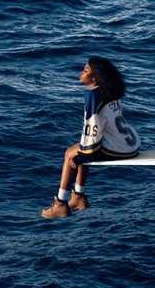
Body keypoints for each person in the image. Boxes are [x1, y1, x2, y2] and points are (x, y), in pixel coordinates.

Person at [41, 57, 141, 218]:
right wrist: (82, 151)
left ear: (95, 78)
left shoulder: (93, 96)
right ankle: (78, 196)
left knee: (70, 154)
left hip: (119, 149)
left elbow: (92, 129)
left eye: (85, 70)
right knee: (78, 149)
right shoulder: (111, 91)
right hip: (131, 145)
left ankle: (60, 204)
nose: (81, 73)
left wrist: (81, 155)